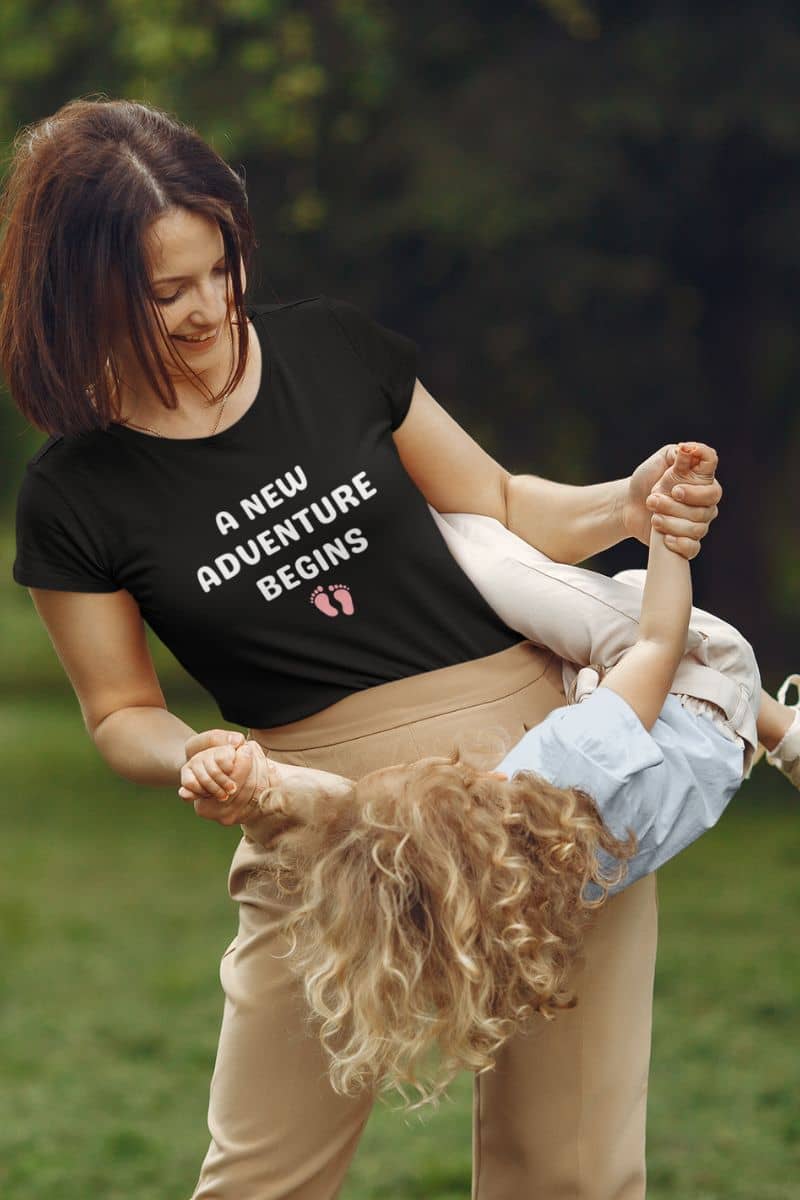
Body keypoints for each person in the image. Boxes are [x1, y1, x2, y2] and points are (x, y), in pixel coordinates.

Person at [4, 96, 726, 1200]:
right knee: (258, 1180)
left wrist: (623, 504)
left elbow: (495, 499)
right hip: (318, 818)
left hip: (550, 787)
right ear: (82, 293)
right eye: (167, 292)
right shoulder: (75, 493)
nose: (211, 309)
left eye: (222, 268)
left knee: (570, 1175)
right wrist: (194, 753)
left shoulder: (330, 349)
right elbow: (116, 713)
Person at [183, 444, 797, 1110]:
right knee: (479, 544)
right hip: (707, 684)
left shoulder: (486, 896)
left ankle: (783, 736)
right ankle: (780, 727)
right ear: (471, 803)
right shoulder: (561, 777)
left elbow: (351, 815)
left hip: (701, 772)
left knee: (561, 638)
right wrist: (671, 536)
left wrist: (254, 780)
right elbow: (657, 642)